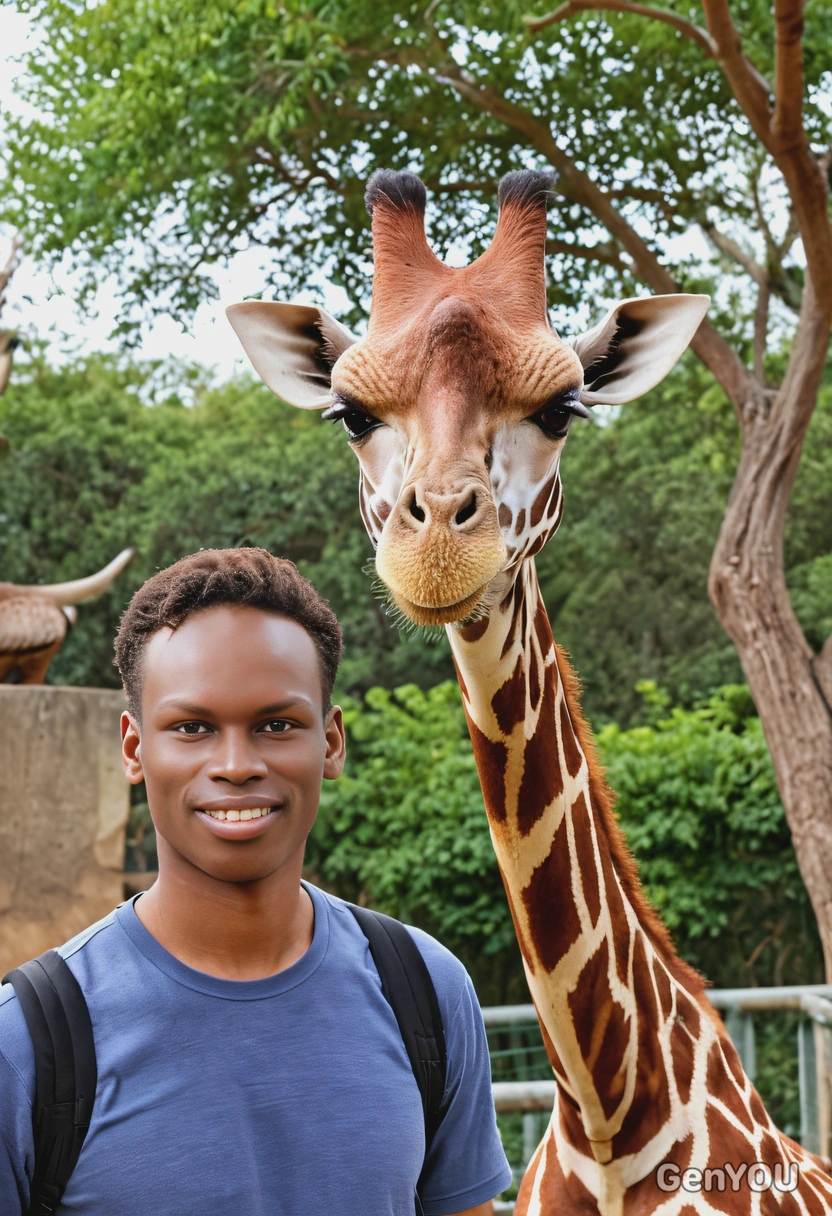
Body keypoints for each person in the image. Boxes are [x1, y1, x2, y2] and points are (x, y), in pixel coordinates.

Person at [0, 547, 512, 1216]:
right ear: (134, 749)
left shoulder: (425, 991)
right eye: (192, 728)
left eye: (276, 725)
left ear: (330, 742)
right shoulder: (27, 1045)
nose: (236, 764)